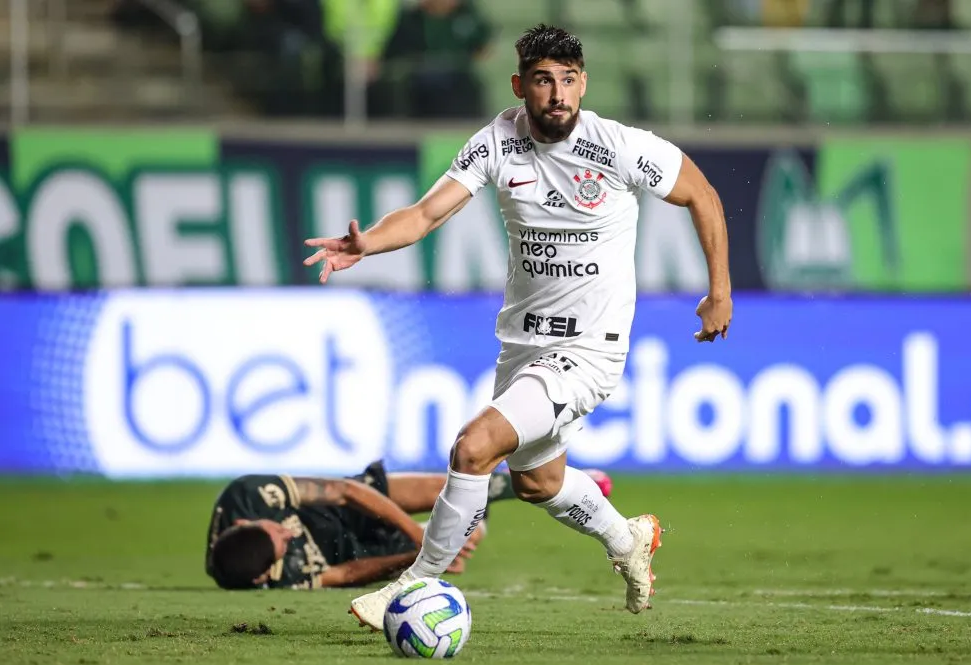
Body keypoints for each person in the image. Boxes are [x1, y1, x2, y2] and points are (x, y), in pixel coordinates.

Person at [303, 24, 732, 629]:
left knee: (472, 448)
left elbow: (703, 194)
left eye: (568, 79)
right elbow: (427, 213)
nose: (558, 93)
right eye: (543, 80)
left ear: (583, 83)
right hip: (524, 343)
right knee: (537, 482)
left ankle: (411, 587)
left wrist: (719, 291)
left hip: (587, 349)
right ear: (519, 85)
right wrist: (367, 243)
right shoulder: (497, 143)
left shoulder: (618, 146)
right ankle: (628, 537)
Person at [206, 460, 614, 589]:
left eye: (277, 528)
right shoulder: (271, 575)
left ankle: (548, 482)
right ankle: (479, 511)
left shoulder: (248, 495)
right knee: (467, 532)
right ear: (266, 573)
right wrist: (419, 554)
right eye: (283, 544)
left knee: (449, 487)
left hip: (345, 508)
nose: (287, 533)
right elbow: (344, 573)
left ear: (245, 521)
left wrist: (416, 530)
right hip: (350, 550)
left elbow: (347, 492)